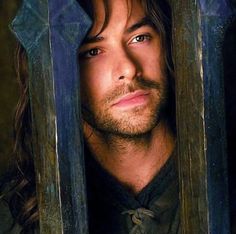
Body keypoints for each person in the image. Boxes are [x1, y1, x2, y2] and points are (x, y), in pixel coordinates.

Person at [0, 0, 179, 233]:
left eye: (140, 38)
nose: (127, 69)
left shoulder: (222, 179)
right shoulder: (13, 215)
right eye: (93, 52)